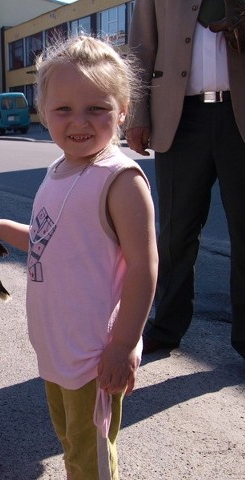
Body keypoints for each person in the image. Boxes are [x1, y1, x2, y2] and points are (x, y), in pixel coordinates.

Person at [0, 36, 158, 479]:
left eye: (97, 108)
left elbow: (145, 268)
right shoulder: (59, 170)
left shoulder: (121, 180)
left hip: (94, 352)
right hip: (56, 345)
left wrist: (124, 345)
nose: (80, 122)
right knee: (72, 442)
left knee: (89, 459)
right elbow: (49, 240)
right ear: (42, 111)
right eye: (64, 109)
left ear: (123, 110)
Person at [126, 0, 245, 359]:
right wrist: (137, 114)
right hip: (180, 119)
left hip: (239, 117)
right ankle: (167, 327)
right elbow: (141, 50)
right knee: (176, 231)